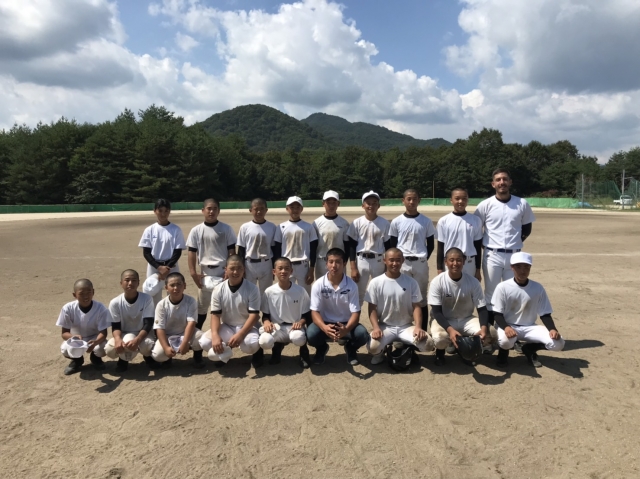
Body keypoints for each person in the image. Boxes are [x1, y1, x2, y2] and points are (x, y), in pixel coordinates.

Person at [474, 169, 535, 324]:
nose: (502, 182)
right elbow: (476, 230)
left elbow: (527, 228)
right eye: (498, 180)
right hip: (492, 255)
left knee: (513, 291)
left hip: (514, 255)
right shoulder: (485, 205)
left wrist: (516, 242)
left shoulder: (521, 203)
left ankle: (511, 329)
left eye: (505, 179)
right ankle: (490, 329)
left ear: (510, 182)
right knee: (491, 293)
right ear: (493, 184)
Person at [492, 252, 564, 368]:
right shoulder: (503, 287)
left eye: (526, 267)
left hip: (530, 327)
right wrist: (506, 327)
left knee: (558, 343)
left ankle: (529, 348)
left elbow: (545, 313)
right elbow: (497, 313)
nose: (523, 271)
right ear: (512, 267)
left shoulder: (537, 287)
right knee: (506, 341)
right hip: (508, 325)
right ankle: (503, 354)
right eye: (518, 267)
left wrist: (552, 329)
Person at [364, 248, 433, 365]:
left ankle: (407, 349)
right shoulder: (376, 282)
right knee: (372, 347)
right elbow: (372, 308)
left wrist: (418, 327)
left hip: (406, 326)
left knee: (428, 344)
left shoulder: (411, 282)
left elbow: (417, 307)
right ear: (384, 260)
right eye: (391, 260)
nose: (394, 263)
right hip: (385, 326)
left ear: (402, 261)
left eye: (398, 260)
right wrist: (376, 327)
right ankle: (381, 353)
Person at [428, 248, 492, 366]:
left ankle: (465, 350)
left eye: (458, 260)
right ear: (445, 262)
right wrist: (450, 330)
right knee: (440, 338)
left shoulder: (473, 282)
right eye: (451, 260)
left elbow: (482, 309)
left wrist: (483, 328)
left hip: (466, 319)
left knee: (491, 333)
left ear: (464, 261)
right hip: (444, 319)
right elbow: (436, 312)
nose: (455, 263)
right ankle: (440, 353)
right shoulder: (437, 282)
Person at [200, 255, 264, 368]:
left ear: (244, 269)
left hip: (248, 327)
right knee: (205, 342)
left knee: (251, 344)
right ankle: (224, 353)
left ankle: (258, 353)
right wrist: (215, 335)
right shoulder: (218, 289)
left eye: (239, 268)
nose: (235, 272)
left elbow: (254, 316)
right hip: (227, 326)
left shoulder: (252, 288)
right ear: (226, 269)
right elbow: (215, 315)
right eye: (232, 268)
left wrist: (241, 334)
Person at [308, 248, 369, 366]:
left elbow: (356, 313)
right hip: (326, 323)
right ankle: (321, 348)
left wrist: (346, 329)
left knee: (362, 335)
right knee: (311, 334)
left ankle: (350, 348)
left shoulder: (351, 285)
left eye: (338, 262)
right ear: (326, 264)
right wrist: (324, 327)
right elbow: (314, 312)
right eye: (331, 262)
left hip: (345, 323)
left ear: (344, 263)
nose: (334, 266)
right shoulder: (318, 284)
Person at [187, 198, 237, 331]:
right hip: (205, 273)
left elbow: (232, 251)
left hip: (222, 272)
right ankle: (196, 335)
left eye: (215, 209)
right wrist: (193, 272)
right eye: (209, 209)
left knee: (224, 306)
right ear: (203, 210)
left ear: (219, 211)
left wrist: (229, 271)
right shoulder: (196, 230)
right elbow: (192, 252)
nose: (211, 211)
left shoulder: (226, 229)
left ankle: (226, 334)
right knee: (201, 308)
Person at [389, 189, 435, 319]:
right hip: (402, 263)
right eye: (408, 199)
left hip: (420, 263)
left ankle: (422, 328)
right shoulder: (396, 221)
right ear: (403, 201)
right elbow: (393, 245)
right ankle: (404, 324)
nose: (411, 202)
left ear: (419, 200)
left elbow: (431, 245)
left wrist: (422, 258)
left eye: (414, 199)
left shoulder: (426, 221)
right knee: (402, 295)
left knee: (421, 297)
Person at [259, 257, 312, 368]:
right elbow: (265, 315)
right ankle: (277, 348)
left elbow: (306, 315)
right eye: (280, 268)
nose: (283, 271)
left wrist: (300, 323)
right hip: (277, 327)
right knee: (264, 341)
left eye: (287, 268)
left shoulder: (300, 291)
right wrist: (267, 322)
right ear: (274, 271)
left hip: (294, 328)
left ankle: (303, 351)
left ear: (291, 271)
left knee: (298, 338)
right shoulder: (269, 292)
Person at [105, 269, 158, 372]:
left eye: (134, 280)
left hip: (143, 334)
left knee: (146, 346)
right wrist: (117, 339)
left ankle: (147, 357)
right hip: (124, 334)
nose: (130, 283)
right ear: (121, 283)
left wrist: (137, 340)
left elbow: (148, 324)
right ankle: (123, 360)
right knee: (110, 350)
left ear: (138, 282)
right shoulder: (115, 302)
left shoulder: (147, 299)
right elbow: (116, 326)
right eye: (127, 280)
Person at [56, 279, 110, 375]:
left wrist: (95, 342)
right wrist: (73, 337)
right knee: (65, 349)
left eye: (89, 292)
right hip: (77, 339)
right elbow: (64, 333)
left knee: (103, 348)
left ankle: (95, 358)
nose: (86, 296)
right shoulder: (68, 308)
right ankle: (77, 361)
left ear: (93, 292)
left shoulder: (101, 308)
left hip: (94, 338)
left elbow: (103, 333)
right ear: (75, 295)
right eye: (81, 293)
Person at [138, 198, 186, 305]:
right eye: (160, 211)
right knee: (153, 296)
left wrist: (167, 267)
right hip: (154, 267)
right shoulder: (149, 230)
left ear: (169, 211)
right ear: (155, 211)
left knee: (174, 295)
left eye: (166, 211)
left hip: (172, 267)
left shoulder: (176, 229)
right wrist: (159, 267)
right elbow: (146, 252)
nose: (163, 214)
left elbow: (177, 251)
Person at [347, 191, 391, 306]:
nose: (371, 206)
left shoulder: (385, 223)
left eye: (374, 203)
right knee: (358, 294)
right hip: (361, 260)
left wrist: (387, 266)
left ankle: (378, 317)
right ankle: (355, 317)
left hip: (378, 260)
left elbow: (388, 247)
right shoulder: (356, 223)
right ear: (363, 205)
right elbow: (352, 246)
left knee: (380, 292)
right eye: (368, 203)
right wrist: (353, 268)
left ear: (378, 206)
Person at [151, 272, 203, 368]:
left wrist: (185, 342)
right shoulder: (161, 305)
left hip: (185, 333)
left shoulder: (191, 301)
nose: (176, 288)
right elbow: (160, 328)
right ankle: (167, 358)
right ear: (166, 288)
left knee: (202, 339)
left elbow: (191, 323)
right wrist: (166, 347)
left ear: (184, 286)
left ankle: (197, 357)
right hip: (168, 335)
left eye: (179, 284)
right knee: (157, 355)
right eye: (172, 285)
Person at [273, 196, 318, 294]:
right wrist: (277, 267)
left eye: (298, 207)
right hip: (286, 266)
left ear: (302, 209)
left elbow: (313, 249)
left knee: (305, 294)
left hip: (303, 266)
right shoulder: (281, 227)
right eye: (292, 207)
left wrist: (311, 269)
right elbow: (277, 249)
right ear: (287, 209)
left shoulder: (308, 227)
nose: (295, 210)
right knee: (287, 293)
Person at [436, 188, 483, 280]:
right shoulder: (443, 221)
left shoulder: (476, 220)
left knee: (469, 288)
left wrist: (478, 269)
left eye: (464, 198)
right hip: (450, 263)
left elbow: (477, 246)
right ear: (451, 200)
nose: (461, 201)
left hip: (469, 263)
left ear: (467, 200)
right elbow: (440, 246)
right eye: (457, 198)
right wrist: (439, 269)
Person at [236, 198, 277, 299]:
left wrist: (274, 267)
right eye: (256, 209)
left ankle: (265, 310)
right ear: (251, 210)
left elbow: (274, 248)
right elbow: (241, 249)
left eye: (262, 209)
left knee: (266, 293)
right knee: (248, 292)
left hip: (266, 263)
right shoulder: (245, 227)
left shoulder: (272, 227)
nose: (259, 212)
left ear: (266, 210)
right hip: (249, 264)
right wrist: (241, 267)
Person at [313, 190, 350, 278]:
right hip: (322, 261)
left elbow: (347, 245)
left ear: (338, 204)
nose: (331, 205)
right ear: (323, 204)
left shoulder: (344, 223)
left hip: (338, 261)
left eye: (334, 202)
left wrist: (344, 260)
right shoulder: (316, 223)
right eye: (328, 202)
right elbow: (313, 246)